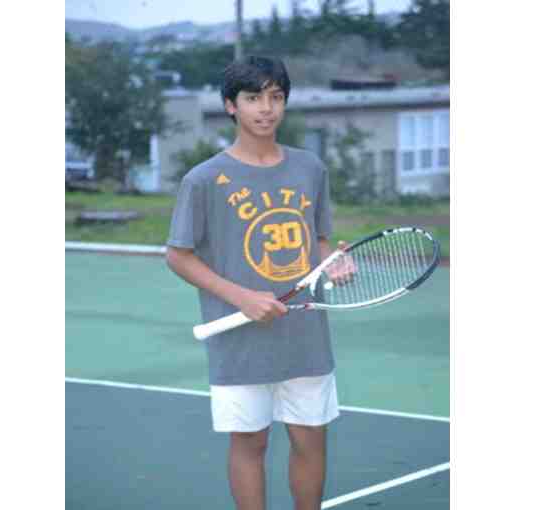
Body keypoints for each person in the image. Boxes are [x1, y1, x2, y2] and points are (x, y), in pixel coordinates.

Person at [166, 55, 347, 510]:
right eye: (252, 98)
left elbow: (319, 241)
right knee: (251, 447)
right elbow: (178, 255)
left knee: (311, 443)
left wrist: (335, 262)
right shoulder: (204, 179)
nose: (266, 108)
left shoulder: (310, 169)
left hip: (304, 337)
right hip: (239, 342)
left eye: (275, 97)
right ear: (231, 106)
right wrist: (241, 297)